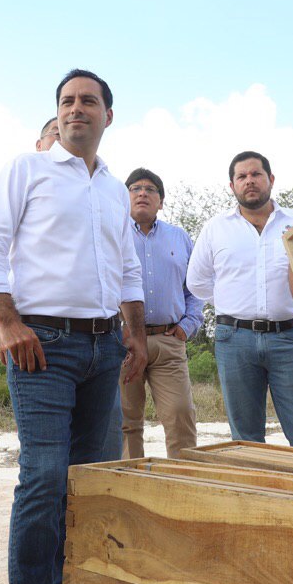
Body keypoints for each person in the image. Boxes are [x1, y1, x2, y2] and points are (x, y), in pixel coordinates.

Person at [0, 68, 146, 584]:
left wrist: (135, 335)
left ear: (107, 115)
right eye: (67, 101)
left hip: (103, 348)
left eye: (88, 101)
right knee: (44, 475)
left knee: (90, 479)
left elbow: (128, 268)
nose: (76, 109)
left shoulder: (115, 190)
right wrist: (6, 322)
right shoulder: (28, 169)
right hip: (39, 345)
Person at [187, 152, 293, 449]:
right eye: (242, 176)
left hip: (290, 336)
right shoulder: (216, 228)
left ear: (271, 179)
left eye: (256, 174)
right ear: (232, 185)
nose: (249, 181)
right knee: (245, 439)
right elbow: (197, 281)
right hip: (234, 340)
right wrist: (232, 302)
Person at [111, 167, 204, 459]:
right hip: (123, 342)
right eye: (135, 188)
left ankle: (183, 481)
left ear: (161, 201)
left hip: (168, 340)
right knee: (126, 420)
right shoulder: (112, 235)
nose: (142, 193)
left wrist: (187, 326)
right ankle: (131, 483)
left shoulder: (180, 238)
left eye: (150, 190)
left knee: (180, 415)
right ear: (125, 198)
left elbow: (195, 287)